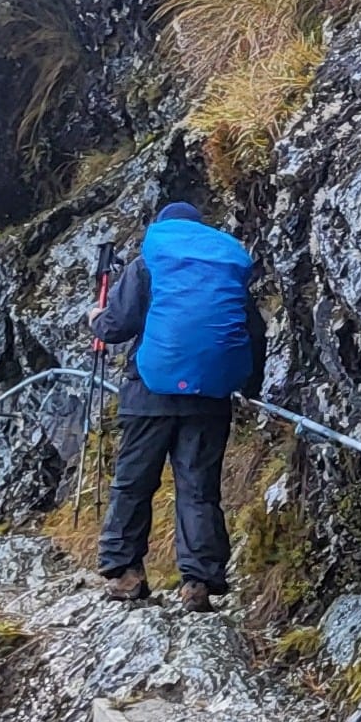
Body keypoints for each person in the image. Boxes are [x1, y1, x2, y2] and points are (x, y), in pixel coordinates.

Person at [88, 200, 265, 609]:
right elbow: (253, 330)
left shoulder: (148, 262)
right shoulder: (222, 267)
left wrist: (94, 318)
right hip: (210, 395)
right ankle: (198, 582)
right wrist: (248, 387)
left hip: (149, 394)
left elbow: (117, 326)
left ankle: (125, 574)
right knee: (199, 490)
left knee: (133, 484)